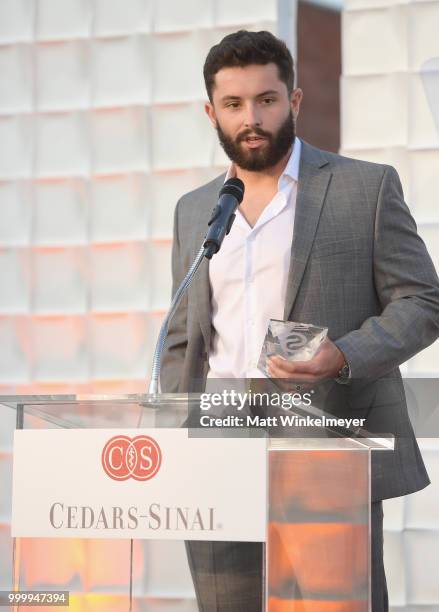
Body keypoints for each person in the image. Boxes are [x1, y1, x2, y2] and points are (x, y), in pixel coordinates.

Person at [160, 30, 439, 611]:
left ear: (296, 100)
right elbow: (184, 337)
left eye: (267, 99)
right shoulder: (196, 209)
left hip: (325, 442)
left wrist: (343, 356)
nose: (252, 118)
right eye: (234, 104)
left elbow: (423, 301)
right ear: (211, 112)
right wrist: (174, 425)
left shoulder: (364, 188)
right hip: (216, 443)